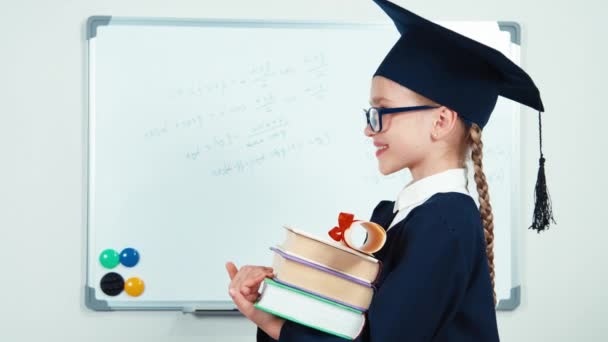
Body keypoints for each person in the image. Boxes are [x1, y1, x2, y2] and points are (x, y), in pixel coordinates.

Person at [226, 0, 554, 340]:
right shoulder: (404, 217)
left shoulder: (443, 223)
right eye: (370, 113)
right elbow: (357, 324)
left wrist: (276, 326)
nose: (370, 129)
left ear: (440, 121)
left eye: (383, 111)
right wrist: (279, 299)